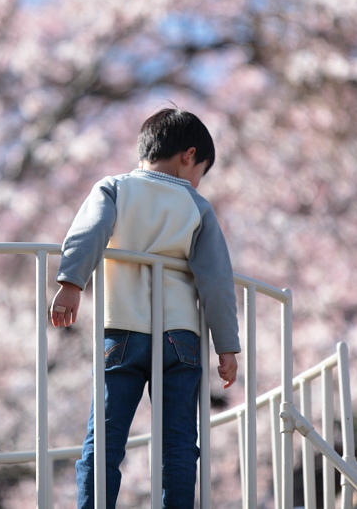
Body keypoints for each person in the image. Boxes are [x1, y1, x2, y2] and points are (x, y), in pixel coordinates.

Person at [50, 107, 241, 509]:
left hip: (122, 328)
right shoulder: (197, 207)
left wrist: (71, 283)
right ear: (189, 156)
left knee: (104, 438)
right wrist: (226, 345)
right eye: (200, 171)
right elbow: (216, 280)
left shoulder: (116, 188)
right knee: (178, 442)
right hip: (181, 338)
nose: (197, 181)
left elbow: (89, 232)